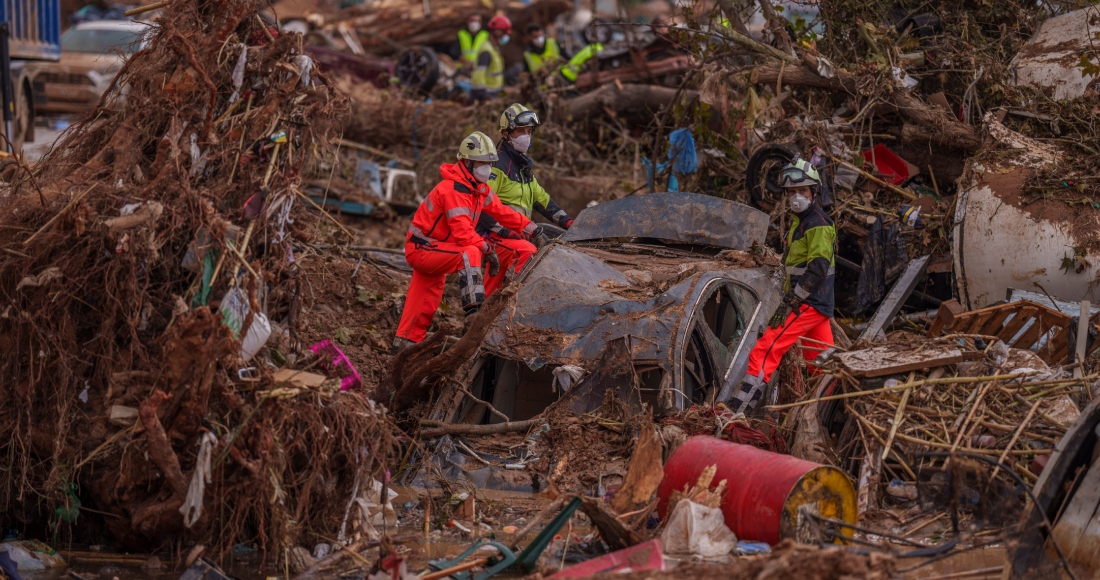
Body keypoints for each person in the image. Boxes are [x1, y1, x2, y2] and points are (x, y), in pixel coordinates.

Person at [393, 131, 541, 352]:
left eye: (489, 163)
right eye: (482, 163)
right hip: (423, 249)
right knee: (469, 253)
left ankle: (404, 346)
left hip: (436, 249)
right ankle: (474, 313)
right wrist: (487, 248)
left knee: (424, 303)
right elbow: (463, 234)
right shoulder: (453, 190)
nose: (487, 169)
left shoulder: (478, 189)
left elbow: (503, 212)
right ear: (467, 162)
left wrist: (532, 228)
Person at [730, 158, 835, 413]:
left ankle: (737, 412)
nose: (796, 197)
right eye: (791, 193)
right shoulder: (801, 222)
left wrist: (793, 300)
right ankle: (833, 411)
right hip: (816, 304)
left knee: (765, 349)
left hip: (807, 302)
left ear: (814, 192)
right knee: (823, 366)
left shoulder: (818, 224)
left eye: (802, 191)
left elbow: (818, 268)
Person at [471, 15, 511, 102]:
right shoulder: (487, 51)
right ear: (497, 31)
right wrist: (483, 96)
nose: (505, 36)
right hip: (485, 96)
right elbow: (478, 76)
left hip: (493, 94)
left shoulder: (494, 49)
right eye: (504, 32)